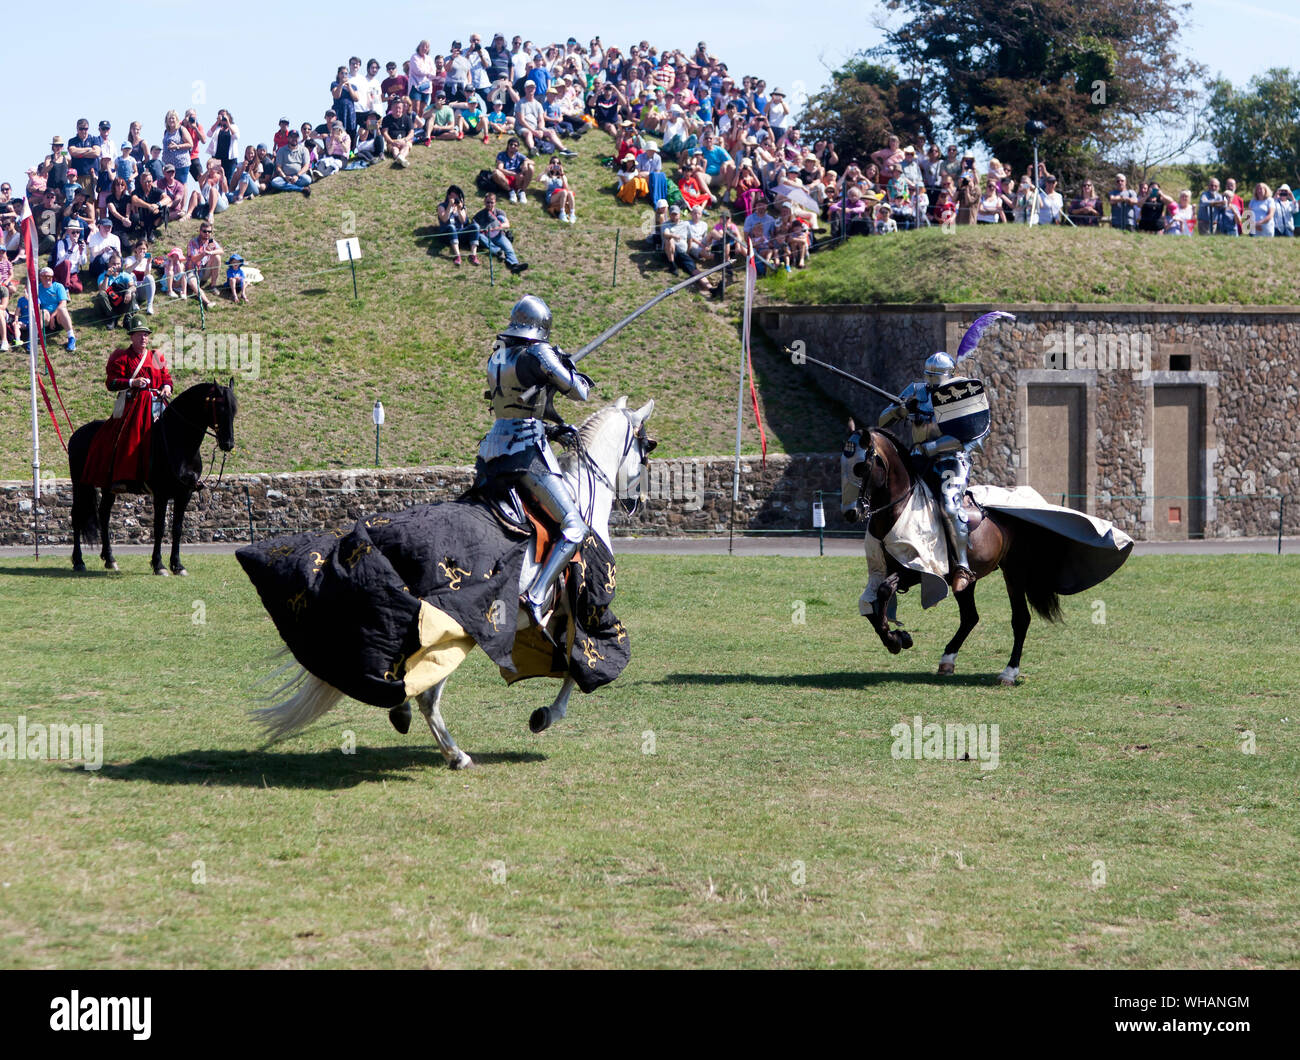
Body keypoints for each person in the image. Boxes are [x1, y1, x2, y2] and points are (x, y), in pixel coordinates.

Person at [476, 295, 594, 631]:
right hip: (525, 453)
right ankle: (537, 595)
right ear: (542, 328)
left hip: (491, 450)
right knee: (574, 525)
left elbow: (516, 406)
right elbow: (579, 393)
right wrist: (566, 366)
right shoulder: (539, 352)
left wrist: (555, 431)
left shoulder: (497, 355)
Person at [877, 352, 987, 591]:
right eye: (928, 375)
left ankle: (963, 566)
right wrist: (902, 410)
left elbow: (975, 439)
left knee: (948, 505)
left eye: (936, 376)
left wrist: (934, 446)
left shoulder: (961, 393)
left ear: (949, 375)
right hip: (917, 458)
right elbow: (882, 421)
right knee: (897, 501)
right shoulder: (916, 391)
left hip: (951, 460)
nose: (931, 380)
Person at [80, 314, 174, 494]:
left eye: (145, 334)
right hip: (136, 405)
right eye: (139, 334)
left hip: (158, 403)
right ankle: (124, 476)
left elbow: (167, 379)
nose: (143, 337)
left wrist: (167, 388)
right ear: (131, 336)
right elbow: (111, 383)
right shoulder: (122, 357)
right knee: (130, 435)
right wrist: (132, 383)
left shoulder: (156, 356)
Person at [473, 191, 528, 273]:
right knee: (480, 237)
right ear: (484, 202)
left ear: (495, 202)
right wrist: (482, 230)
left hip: (499, 235)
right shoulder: (479, 215)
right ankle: (498, 251)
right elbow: (474, 228)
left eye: (492, 202)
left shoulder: (500, 212)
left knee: (509, 249)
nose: (490, 204)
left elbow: (507, 224)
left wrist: (496, 227)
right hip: (486, 237)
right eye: (488, 202)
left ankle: (514, 265)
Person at [34, 266, 78, 350]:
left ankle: (71, 337)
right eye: (44, 276)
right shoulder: (37, 289)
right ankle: (34, 338)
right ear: (40, 277)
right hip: (45, 318)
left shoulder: (58, 286)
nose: (47, 278)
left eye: (49, 276)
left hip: (58, 317)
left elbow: (63, 303)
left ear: (52, 277)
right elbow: (37, 305)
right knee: (42, 311)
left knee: (62, 309)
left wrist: (53, 316)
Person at [436, 184, 480, 265]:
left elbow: (463, 221)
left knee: (475, 226)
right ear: (449, 195)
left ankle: (473, 255)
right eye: (454, 195)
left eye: (457, 195)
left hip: (460, 232)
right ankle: (457, 256)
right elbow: (444, 219)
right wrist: (449, 206)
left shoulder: (462, 207)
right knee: (451, 227)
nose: (455, 197)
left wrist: (460, 209)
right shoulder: (442, 206)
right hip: (447, 234)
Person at [381, 99, 415, 168]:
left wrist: (405, 140)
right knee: (394, 149)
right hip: (392, 141)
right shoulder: (386, 119)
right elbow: (385, 132)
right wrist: (392, 141)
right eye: (396, 108)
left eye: (399, 108)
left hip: (404, 140)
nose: (398, 110)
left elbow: (411, 132)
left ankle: (400, 158)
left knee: (407, 146)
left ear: (402, 109)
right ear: (392, 109)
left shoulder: (407, 118)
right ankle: (401, 159)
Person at [543, 159, 576, 223]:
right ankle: (562, 213)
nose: (555, 164)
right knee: (564, 191)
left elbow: (566, 188)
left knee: (570, 193)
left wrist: (562, 174)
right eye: (553, 163)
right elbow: (537, 179)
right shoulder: (547, 176)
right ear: (550, 164)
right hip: (551, 197)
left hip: (562, 195)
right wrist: (545, 171)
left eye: (558, 163)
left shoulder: (562, 176)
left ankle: (572, 214)